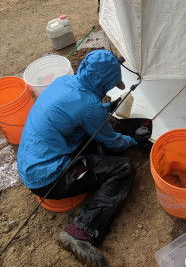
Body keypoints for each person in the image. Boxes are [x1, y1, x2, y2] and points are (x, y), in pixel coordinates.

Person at [17, 49, 150, 267]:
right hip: (48, 178)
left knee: (92, 141)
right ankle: (81, 232)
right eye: (108, 85)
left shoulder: (65, 82)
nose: (108, 89)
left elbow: (76, 112)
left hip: (29, 161)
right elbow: (114, 142)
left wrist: (106, 108)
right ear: (102, 83)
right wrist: (134, 140)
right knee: (123, 168)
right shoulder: (89, 106)